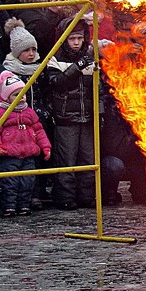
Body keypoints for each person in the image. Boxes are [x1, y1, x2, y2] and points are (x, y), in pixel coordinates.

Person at [44, 16, 97, 210]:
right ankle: (65, 198)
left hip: (88, 117)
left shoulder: (92, 56)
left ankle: (87, 197)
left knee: (89, 161)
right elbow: (57, 83)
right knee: (66, 160)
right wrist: (79, 65)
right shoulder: (55, 58)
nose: (76, 42)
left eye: (80, 38)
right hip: (66, 118)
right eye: (71, 38)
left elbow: (99, 88)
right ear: (64, 39)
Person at [0, 71, 52, 218]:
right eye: (16, 95)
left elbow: (39, 131)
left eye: (23, 94)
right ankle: (9, 206)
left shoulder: (29, 113)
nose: (21, 98)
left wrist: (46, 147)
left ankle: (24, 205)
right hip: (9, 155)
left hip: (29, 154)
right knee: (10, 183)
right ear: (6, 97)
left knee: (27, 182)